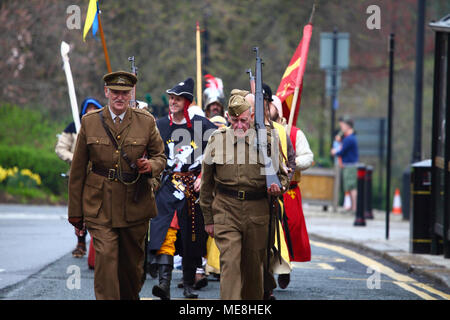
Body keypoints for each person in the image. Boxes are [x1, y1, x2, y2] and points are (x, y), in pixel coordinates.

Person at [67, 71, 166, 300]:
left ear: (131, 94)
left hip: (135, 203)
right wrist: (75, 214)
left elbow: (161, 157)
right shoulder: (89, 122)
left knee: (132, 270)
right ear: (106, 92)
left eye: (124, 93)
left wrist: (150, 165)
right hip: (99, 205)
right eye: (115, 92)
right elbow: (78, 171)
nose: (119, 97)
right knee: (106, 261)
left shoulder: (146, 121)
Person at [200, 89, 290, 300]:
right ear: (228, 118)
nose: (239, 126)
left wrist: (278, 188)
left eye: (243, 120)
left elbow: (283, 177)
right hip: (226, 209)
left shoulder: (267, 140)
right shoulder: (217, 139)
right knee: (230, 263)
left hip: (257, 212)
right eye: (234, 121)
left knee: (253, 271)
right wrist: (208, 218)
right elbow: (206, 184)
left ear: (251, 117)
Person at [147, 77, 217, 300]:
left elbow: (220, 144)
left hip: (191, 188)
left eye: (177, 99)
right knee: (164, 232)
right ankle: (164, 285)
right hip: (166, 185)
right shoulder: (159, 125)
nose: (173, 102)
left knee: (191, 238)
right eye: (171, 98)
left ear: (187, 102)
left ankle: (188, 285)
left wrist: (204, 175)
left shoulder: (201, 126)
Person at [269, 93, 314, 293]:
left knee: (290, 230)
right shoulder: (259, 131)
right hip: (267, 191)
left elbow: (308, 157)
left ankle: (285, 268)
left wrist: (292, 166)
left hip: (289, 192)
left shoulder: (295, 133)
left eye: (270, 105)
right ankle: (268, 272)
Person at [55, 97, 102, 258]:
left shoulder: (104, 127)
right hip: (79, 175)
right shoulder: (73, 127)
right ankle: (81, 242)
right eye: (88, 108)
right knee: (79, 210)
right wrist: (76, 159)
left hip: (99, 175)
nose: (91, 111)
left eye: (94, 108)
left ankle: (99, 247)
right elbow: (60, 148)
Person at [331, 115, 359, 212]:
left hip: (350, 165)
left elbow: (342, 151)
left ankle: (354, 207)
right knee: (349, 186)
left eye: (343, 126)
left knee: (352, 187)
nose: (341, 128)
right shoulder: (349, 138)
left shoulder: (349, 139)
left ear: (348, 126)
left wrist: (335, 152)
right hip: (348, 165)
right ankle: (352, 207)